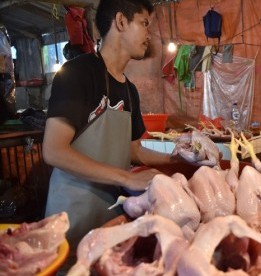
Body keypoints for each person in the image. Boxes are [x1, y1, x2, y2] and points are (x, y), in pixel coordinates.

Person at [42, 0, 179, 257]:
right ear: (120, 21)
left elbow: (133, 150)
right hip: (71, 215)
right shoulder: (77, 74)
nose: (149, 34)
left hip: (110, 213)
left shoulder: (129, 90)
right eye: (144, 23)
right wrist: (126, 177)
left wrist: (176, 158)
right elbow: (53, 151)